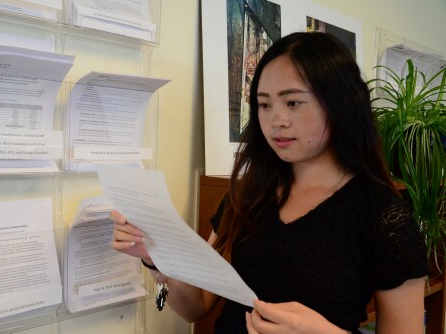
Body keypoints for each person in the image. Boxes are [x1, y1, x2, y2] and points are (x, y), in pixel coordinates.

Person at [111, 32, 429, 334]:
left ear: (340, 105)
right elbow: (197, 305)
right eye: (265, 105)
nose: (277, 120)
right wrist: (154, 257)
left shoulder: (383, 214)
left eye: (292, 103)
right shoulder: (249, 192)